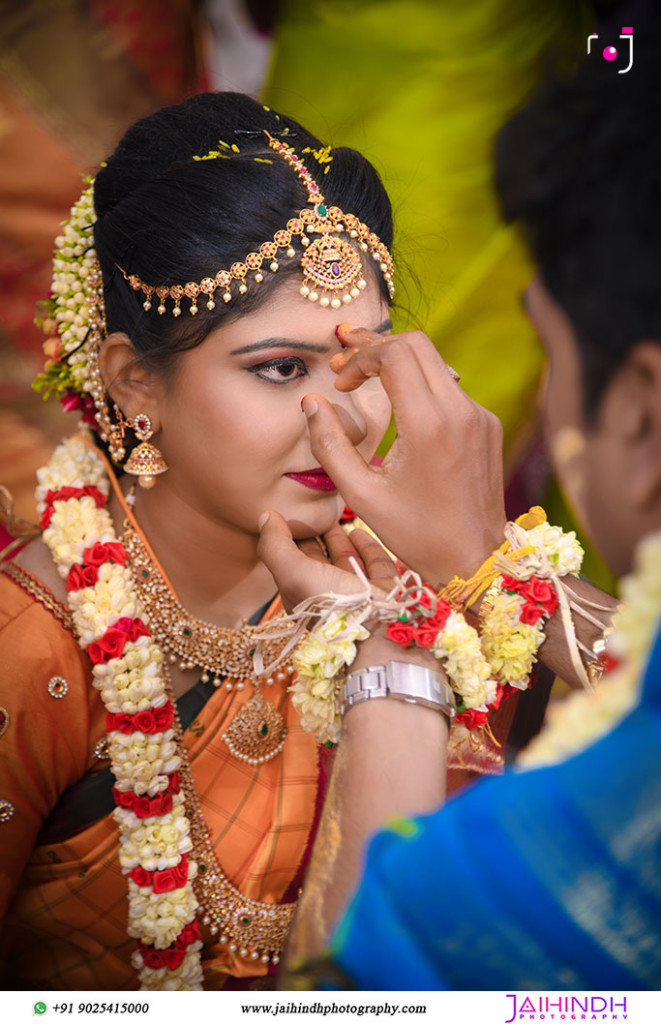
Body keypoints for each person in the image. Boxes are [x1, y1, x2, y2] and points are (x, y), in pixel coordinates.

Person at [254, 21, 661, 990]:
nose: (333, 410)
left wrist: (393, 658)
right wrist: (487, 560)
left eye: (545, 354)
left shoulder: (539, 872)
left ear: (641, 413)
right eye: (275, 365)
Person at [0, 91, 399, 991]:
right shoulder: (34, 652)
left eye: (360, 365)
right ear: (136, 384)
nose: (338, 420)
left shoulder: (392, 586)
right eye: (282, 369)